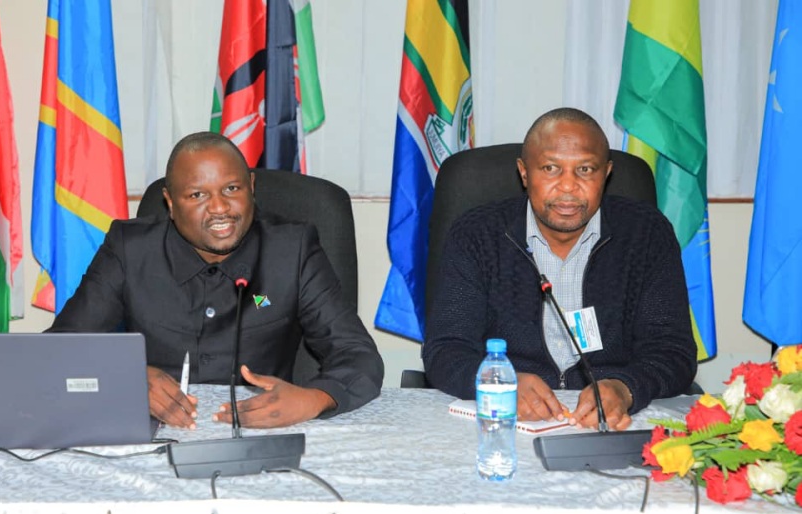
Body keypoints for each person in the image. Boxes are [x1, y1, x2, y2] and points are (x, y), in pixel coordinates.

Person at [49, 132, 384, 429]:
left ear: (251, 187)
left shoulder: (291, 250)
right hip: (152, 432)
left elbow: (357, 355)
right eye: (197, 195)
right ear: (170, 202)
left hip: (259, 432)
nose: (220, 208)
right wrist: (124, 376)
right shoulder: (130, 249)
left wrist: (314, 398)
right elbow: (59, 348)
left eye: (232, 188)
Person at [422, 107, 697, 431]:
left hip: (607, 424)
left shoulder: (646, 234)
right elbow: (444, 350)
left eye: (585, 169)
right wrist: (498, 381)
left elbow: (672, 351)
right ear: (525, 173)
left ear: (606, 173)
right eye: (551, 168)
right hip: (507, 421)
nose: (568, 187)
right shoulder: (477, 235)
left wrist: (626, 387)